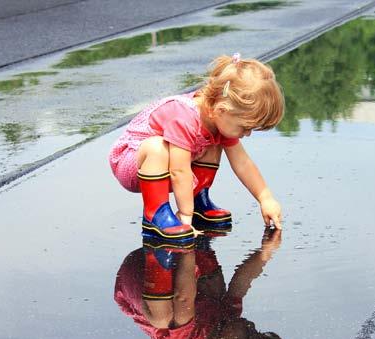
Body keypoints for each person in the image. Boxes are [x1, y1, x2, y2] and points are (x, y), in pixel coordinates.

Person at [109, 53, 284, 246]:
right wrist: (185, 216)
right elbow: (179, 171)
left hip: (170, 165)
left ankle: (198, 200)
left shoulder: (219, 117)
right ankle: (155, 214)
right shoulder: (183, 116)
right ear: (222, 110)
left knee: (217, 141)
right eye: (245, 127)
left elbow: (242, 163)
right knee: (158, 148)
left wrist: (265, 198)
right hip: (133, 163)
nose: (248, 134)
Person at [114, 227, 285, 339]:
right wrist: (266, 251)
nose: (251, 325)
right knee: (217, 292)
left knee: (165, 318)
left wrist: (186, 249)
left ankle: (187, 244)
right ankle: (199, 239)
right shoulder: (229, 318)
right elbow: (242, 282)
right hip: (175, 269)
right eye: (256, 331)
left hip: (140, 278)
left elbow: (183, 299)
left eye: (249, 335)